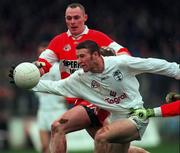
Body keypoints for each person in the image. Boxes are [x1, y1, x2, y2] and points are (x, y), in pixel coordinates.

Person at [32, 3, 147, 153]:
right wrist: (33, 70)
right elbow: (44, 63)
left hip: (95, 99)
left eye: (76, 18)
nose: (72, 21)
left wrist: (114, 61)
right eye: (69, 18)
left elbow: (124, 54)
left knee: (58, 126)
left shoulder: (97, 37)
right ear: (65, 20)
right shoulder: (59, 41)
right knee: (110, 146)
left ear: (85, 18)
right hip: (78, 101)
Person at [31, 40, 180, 153]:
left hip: (135, 117)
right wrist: (29, 83)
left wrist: (177, 71)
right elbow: (56, 87)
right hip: (116, 121)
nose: (78, 61)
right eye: (77, 57)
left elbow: (153, 64)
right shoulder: (81, 77)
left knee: (101, 136)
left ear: (95, 55)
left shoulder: (120, 63)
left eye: (82, 56)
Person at [34, 42, 68, 153]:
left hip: (57, 109)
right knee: (44, 147)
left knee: (58, 146)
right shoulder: (33, 70)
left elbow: (67, 84)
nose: (42, 55)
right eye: (40, 53)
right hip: (43, 110)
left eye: (44, 52)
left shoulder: (60, 67)